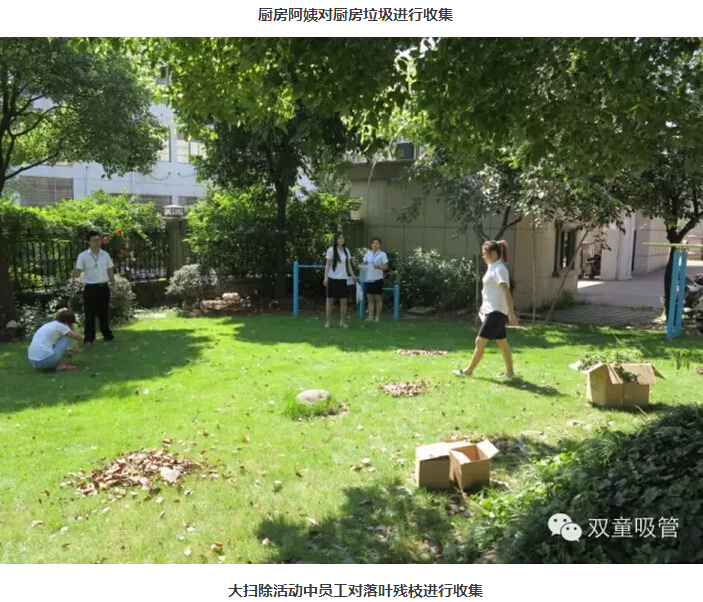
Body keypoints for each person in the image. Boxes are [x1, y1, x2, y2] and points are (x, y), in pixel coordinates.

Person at [453, 240, 519, 378]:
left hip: (496, 312)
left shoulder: (500, 269)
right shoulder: (492, 267)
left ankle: (468, 371)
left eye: (484, 253)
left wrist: (511, 314)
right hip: (491, 310)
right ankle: (510, 373)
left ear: (493, 254)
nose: (483, 256)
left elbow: (507, 292)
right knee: (501, 342)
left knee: (480, 341)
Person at [74, 230, 116, 344]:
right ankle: (89, 338)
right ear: (89, 242)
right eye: (94, 240)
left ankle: (107, 334)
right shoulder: (83, 256)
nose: (97, 242)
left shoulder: (105, 254)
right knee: (90, 313)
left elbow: (110, 269)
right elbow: (78, 270)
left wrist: (113, 282)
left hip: (103, 287)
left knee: (104, 312)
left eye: (99, 240)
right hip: (90, 288)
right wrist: (75, 274)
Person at [323, 233, 358, 328]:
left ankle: (342, 322)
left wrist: (353, 275)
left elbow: (348, 265)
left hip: (343, 278)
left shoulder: (346, 250)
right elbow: (328, 264)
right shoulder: (331, 250)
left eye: (342, 238)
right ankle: (328, 322)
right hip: (332, 278)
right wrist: (325, 277)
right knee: (330, 301)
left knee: (343, 301)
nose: (341, 240)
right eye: (339, 238)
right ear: (336, 240)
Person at [360, 237, 389, 322]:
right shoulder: (368, 254)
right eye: (373, 243)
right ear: (371, 244)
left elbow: (386, 267)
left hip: (377, 278)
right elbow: (363, 263)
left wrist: (378, 267)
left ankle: (378, 317)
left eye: (377, 243)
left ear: (380, 245)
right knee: (370, 298)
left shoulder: (382, 254)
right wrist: (361, 266)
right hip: (369, 278)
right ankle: (370, 316)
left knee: (377, 298)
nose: (375, 245)